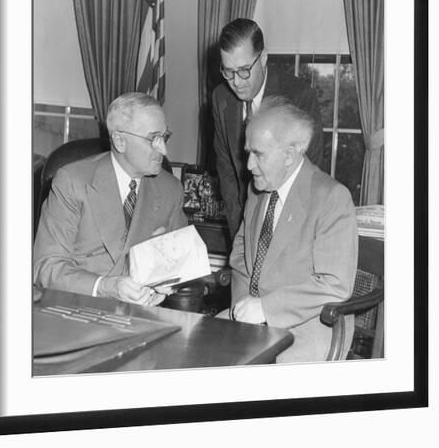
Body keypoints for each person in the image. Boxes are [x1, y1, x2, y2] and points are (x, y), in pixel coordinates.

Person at [225, 96, 357, 363]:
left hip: (307, 329)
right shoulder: (258, 190)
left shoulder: (331, 197)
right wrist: (244, 306)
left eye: (258, 154)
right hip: (249, 319)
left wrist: (265, 308)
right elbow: (239, 255)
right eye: (248, 151)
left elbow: (335, 284)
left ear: (290, 154)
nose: (248, 165)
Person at [33, 92, 187, 305]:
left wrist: (166, 283)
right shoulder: (72, 181)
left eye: (165, 137)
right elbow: (46, 267)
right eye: (153, 139)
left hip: (141, 317)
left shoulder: (170, 189)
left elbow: (180, 264)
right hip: (77, 311)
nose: (164, 149)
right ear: (120, 140)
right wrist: (106, 286)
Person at [212, 18, 324, 239]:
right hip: (244, 225)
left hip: (290, 226)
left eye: (244, 70)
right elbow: (226, 172)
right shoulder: (220, 97)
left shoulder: (299, 96)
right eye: (228, 71)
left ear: (263, 58)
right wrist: (241, 234)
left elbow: (309, 174)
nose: (236, 81)